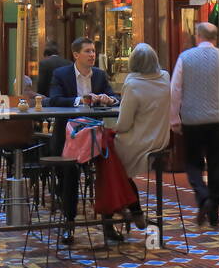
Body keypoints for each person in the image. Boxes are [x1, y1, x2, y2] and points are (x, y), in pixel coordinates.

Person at [170, 21, 219, 227]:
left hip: (192, 120)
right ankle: (213, 209)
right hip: (218, 120)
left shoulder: (185, 58)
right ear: (215, 38)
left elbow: (175, 90)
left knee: (193, 163)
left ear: (198, 37)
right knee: (218, 165)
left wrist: (174, 119)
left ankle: (203, 196)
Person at [48, 37, 119, 241]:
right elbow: (54, 98)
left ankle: (108, 223)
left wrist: (109, 99)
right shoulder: (61, 74)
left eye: (94, 51)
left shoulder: (98, 75)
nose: (92, 55)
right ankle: (68, 223)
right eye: (87, 51)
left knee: (108, 170)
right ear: (76, 55)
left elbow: (114, 97)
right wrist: (81, 100)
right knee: (70, 174)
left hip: (95, 134)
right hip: (70, 136)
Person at [110, 43, 168, 236]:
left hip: (138, 141)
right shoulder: (165, 77)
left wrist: (112, 128)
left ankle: (124, 209)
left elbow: (124, 124)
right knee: (113, 163)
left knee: (108, 159)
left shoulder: (133, 83)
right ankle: (128, 208)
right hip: (161, 138)